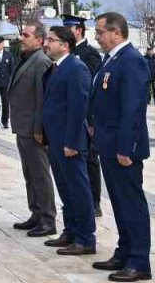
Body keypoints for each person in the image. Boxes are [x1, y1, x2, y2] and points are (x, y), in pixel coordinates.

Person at [89, 13, 151, 281]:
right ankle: (124, 252)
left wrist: (126, 147)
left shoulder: (132, 61)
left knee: (131, 204)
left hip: (123, 148)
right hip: (108, 144)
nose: (97, 37)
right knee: (118, 202)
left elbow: (132, 109)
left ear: (116, 32)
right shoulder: (112, 59)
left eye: (100, 32)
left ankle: (139, 261)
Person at [40, 26, 96, 257]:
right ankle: (71, 230)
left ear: (65, 45)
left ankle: (85, 238)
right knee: (65, 188)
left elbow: (78, 108)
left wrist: (72, 142)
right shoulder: (57, 67)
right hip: (55, 139)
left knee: (78, 189)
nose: (46, 44)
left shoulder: (76, 68)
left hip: (69, 141)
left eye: (51, 40)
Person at [9, 24, 57, 238]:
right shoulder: (26, 58)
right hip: (23, 128)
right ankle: (36, 213)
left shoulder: (41, 62)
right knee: (30, 174)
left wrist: (40, 130)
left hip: (33, 130)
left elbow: (42, 100)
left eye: (26, 35)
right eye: (22, 34)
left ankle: (48, 219)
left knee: (40, 175)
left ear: (39, 40)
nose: (22, 38)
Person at [63, 14, 104, 217]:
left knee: (89, 158)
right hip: (69, 114)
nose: (66, 31)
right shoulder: (67, 53)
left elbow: (93, 87)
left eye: (69, 28)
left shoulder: (88, 54)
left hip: (86, 115)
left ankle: (94, 201)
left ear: (79, 30)